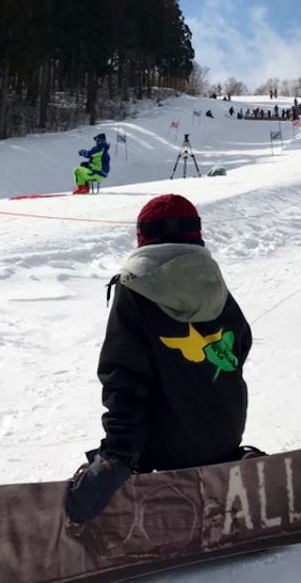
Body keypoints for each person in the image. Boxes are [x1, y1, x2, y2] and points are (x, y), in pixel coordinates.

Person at [65, 194, 255, 524]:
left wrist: (119, 452)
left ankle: (137, 468)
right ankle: (229, 460)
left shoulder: (135, 289)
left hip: (163, 454)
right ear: (197, 235)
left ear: (143, 238)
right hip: (224, 437)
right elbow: (241, 347)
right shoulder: (215, 284)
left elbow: (123, 377)